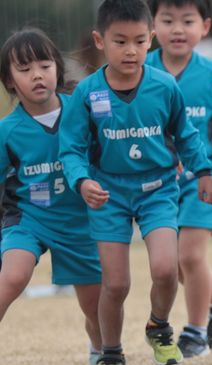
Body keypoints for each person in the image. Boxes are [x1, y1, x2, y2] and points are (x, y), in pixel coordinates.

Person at [58, 0, 212, 364]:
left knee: (165, 270)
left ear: (150, 40)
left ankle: (158, 326)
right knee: (116, 285)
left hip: (158, 190)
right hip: (107, 195)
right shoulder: (86, 93)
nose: (130, 51)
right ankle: (110, 352)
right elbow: (71, 149)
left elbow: (187, 135)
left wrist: (205, 172)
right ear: (100, 41)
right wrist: (81, 181)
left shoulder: (164, 86)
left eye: (138, 41)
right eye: (119, 41)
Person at [0, 28, 102, 365]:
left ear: (57, 68)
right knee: (12, 277)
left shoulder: (84, 108)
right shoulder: (7, 131)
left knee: (95, 309)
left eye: (44, 65)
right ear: (10, 81)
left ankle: (101, 351)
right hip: (29, 219)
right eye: (24, 69)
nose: (37, 75)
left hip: (81, 224)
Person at [145, 0, 212, 358]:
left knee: (190, 256)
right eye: (168, 20)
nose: (178, 29)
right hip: (157, 186)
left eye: (187, 20)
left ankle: (196, 332)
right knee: (175, 263)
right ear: (153, 26)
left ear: (205, 26)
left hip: (206, 179)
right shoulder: (142, 71)